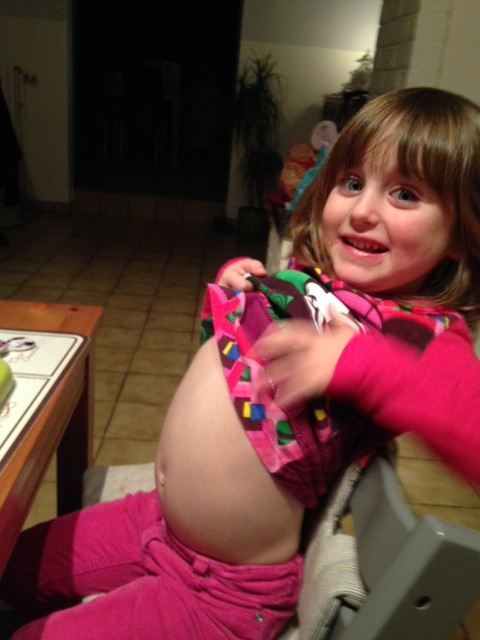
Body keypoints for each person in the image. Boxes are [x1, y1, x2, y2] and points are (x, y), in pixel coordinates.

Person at [1, 87, 480, 640]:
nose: (363, 210)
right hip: (154, 521)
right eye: (352, 183)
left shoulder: (423, 334)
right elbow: (237, 378)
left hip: (221, 590)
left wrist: (362, 362)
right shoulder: (316, 282)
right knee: (10, 563)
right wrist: (235, 301)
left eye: (405, 194)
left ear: (460, 235)